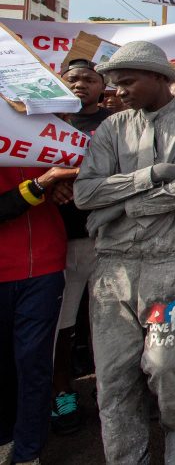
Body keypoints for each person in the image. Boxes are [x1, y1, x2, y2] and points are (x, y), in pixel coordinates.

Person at [74, 41, 175, 465]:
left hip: (169, 262)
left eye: (127, 81)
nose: (117, 91)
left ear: (159, 78)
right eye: (114, 83)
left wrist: (121, 206)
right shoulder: (110, 129)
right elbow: (85, 193)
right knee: (114, 374)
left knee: (165, 361)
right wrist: (149, 176)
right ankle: (126, 454)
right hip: (112, 266)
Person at [50, 59, 112, 435]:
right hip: (61, 240)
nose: (80, 84)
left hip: (104, 238)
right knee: (63, 324)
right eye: (72, 78)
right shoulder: (48, 122)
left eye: (89, 79)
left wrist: (68, 176)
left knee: (107, 323)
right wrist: (46, 186)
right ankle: (62, 392)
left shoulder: (113, 123)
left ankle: (110, 389)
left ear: (102, 86)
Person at [0, 165, 75, 465]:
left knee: (34, 363)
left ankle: (28, 453)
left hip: (45, 267)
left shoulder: (44, 126)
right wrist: (42, 184)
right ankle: (6, 439)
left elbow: (71, 170)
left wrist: (64, 185)